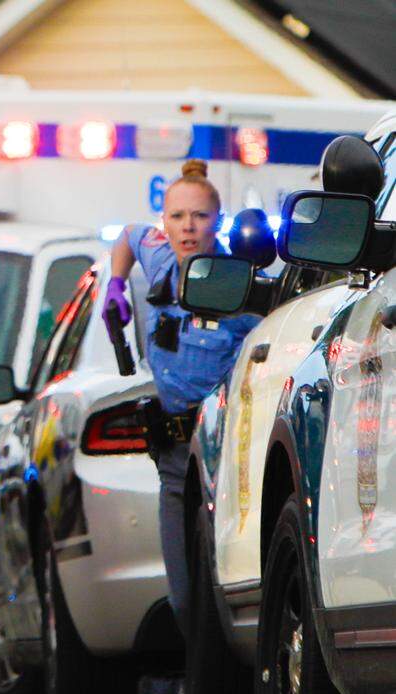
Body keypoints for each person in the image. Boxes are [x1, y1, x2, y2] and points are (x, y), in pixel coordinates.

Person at [102, 159, 259, 636]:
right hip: (173, 459)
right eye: (176, 216)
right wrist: (115, 283)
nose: (187, 227)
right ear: (164, 222)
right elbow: (128, 235)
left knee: (221, 592)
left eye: (200, 217)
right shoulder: (160, 258)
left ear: (218, 221)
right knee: (183, 598)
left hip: (222, 458)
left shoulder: (239, 284)